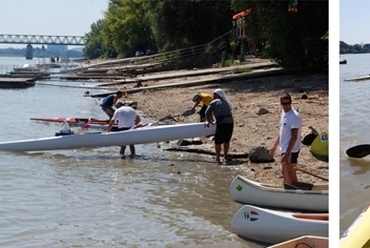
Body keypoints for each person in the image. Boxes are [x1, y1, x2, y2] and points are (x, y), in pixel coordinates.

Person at [269, 92, 302, 186]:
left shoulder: (294, 116)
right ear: (281, 103)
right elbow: (282, 132)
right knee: (284, 172)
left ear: (291, 102)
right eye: (284, 104)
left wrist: (287, 153)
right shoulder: (283, 113)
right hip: (284, 148)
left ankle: (296, 191)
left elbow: (294, 136)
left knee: (290, 172)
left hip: (291, 149)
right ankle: (288, 188)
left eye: (288, 103)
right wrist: (274, 146)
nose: (286, 106)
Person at [205, 89, 234, 163]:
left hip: (221, 123)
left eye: (214, 94)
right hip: (230, 122)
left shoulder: (214, 102)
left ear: (217, 95)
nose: (213, 96)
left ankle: (217, 158)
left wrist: (210, 121)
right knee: (226, 140)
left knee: (218, 141)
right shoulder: (227, 102)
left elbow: (207, 113)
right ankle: (225, 156)